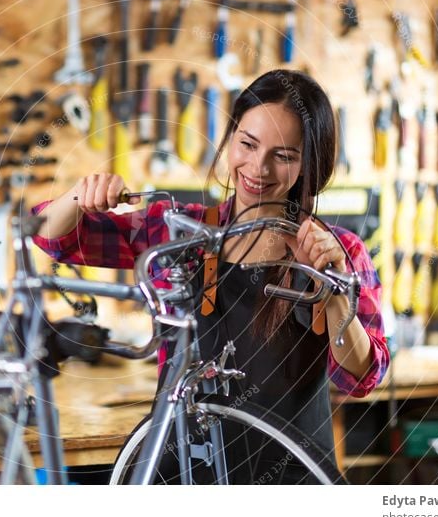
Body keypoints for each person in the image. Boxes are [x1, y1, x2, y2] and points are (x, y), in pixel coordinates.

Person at [31, 69, 389, 483]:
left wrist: (335, 294)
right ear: (230, 138)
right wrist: (81, 195)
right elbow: (49, 236)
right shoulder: (178, 232)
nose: (259, 168)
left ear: (312, 163)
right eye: (248, 145)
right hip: (181, 476)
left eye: (285, 156)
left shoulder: (338, 251)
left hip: (293, 482)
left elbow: (361, 378)